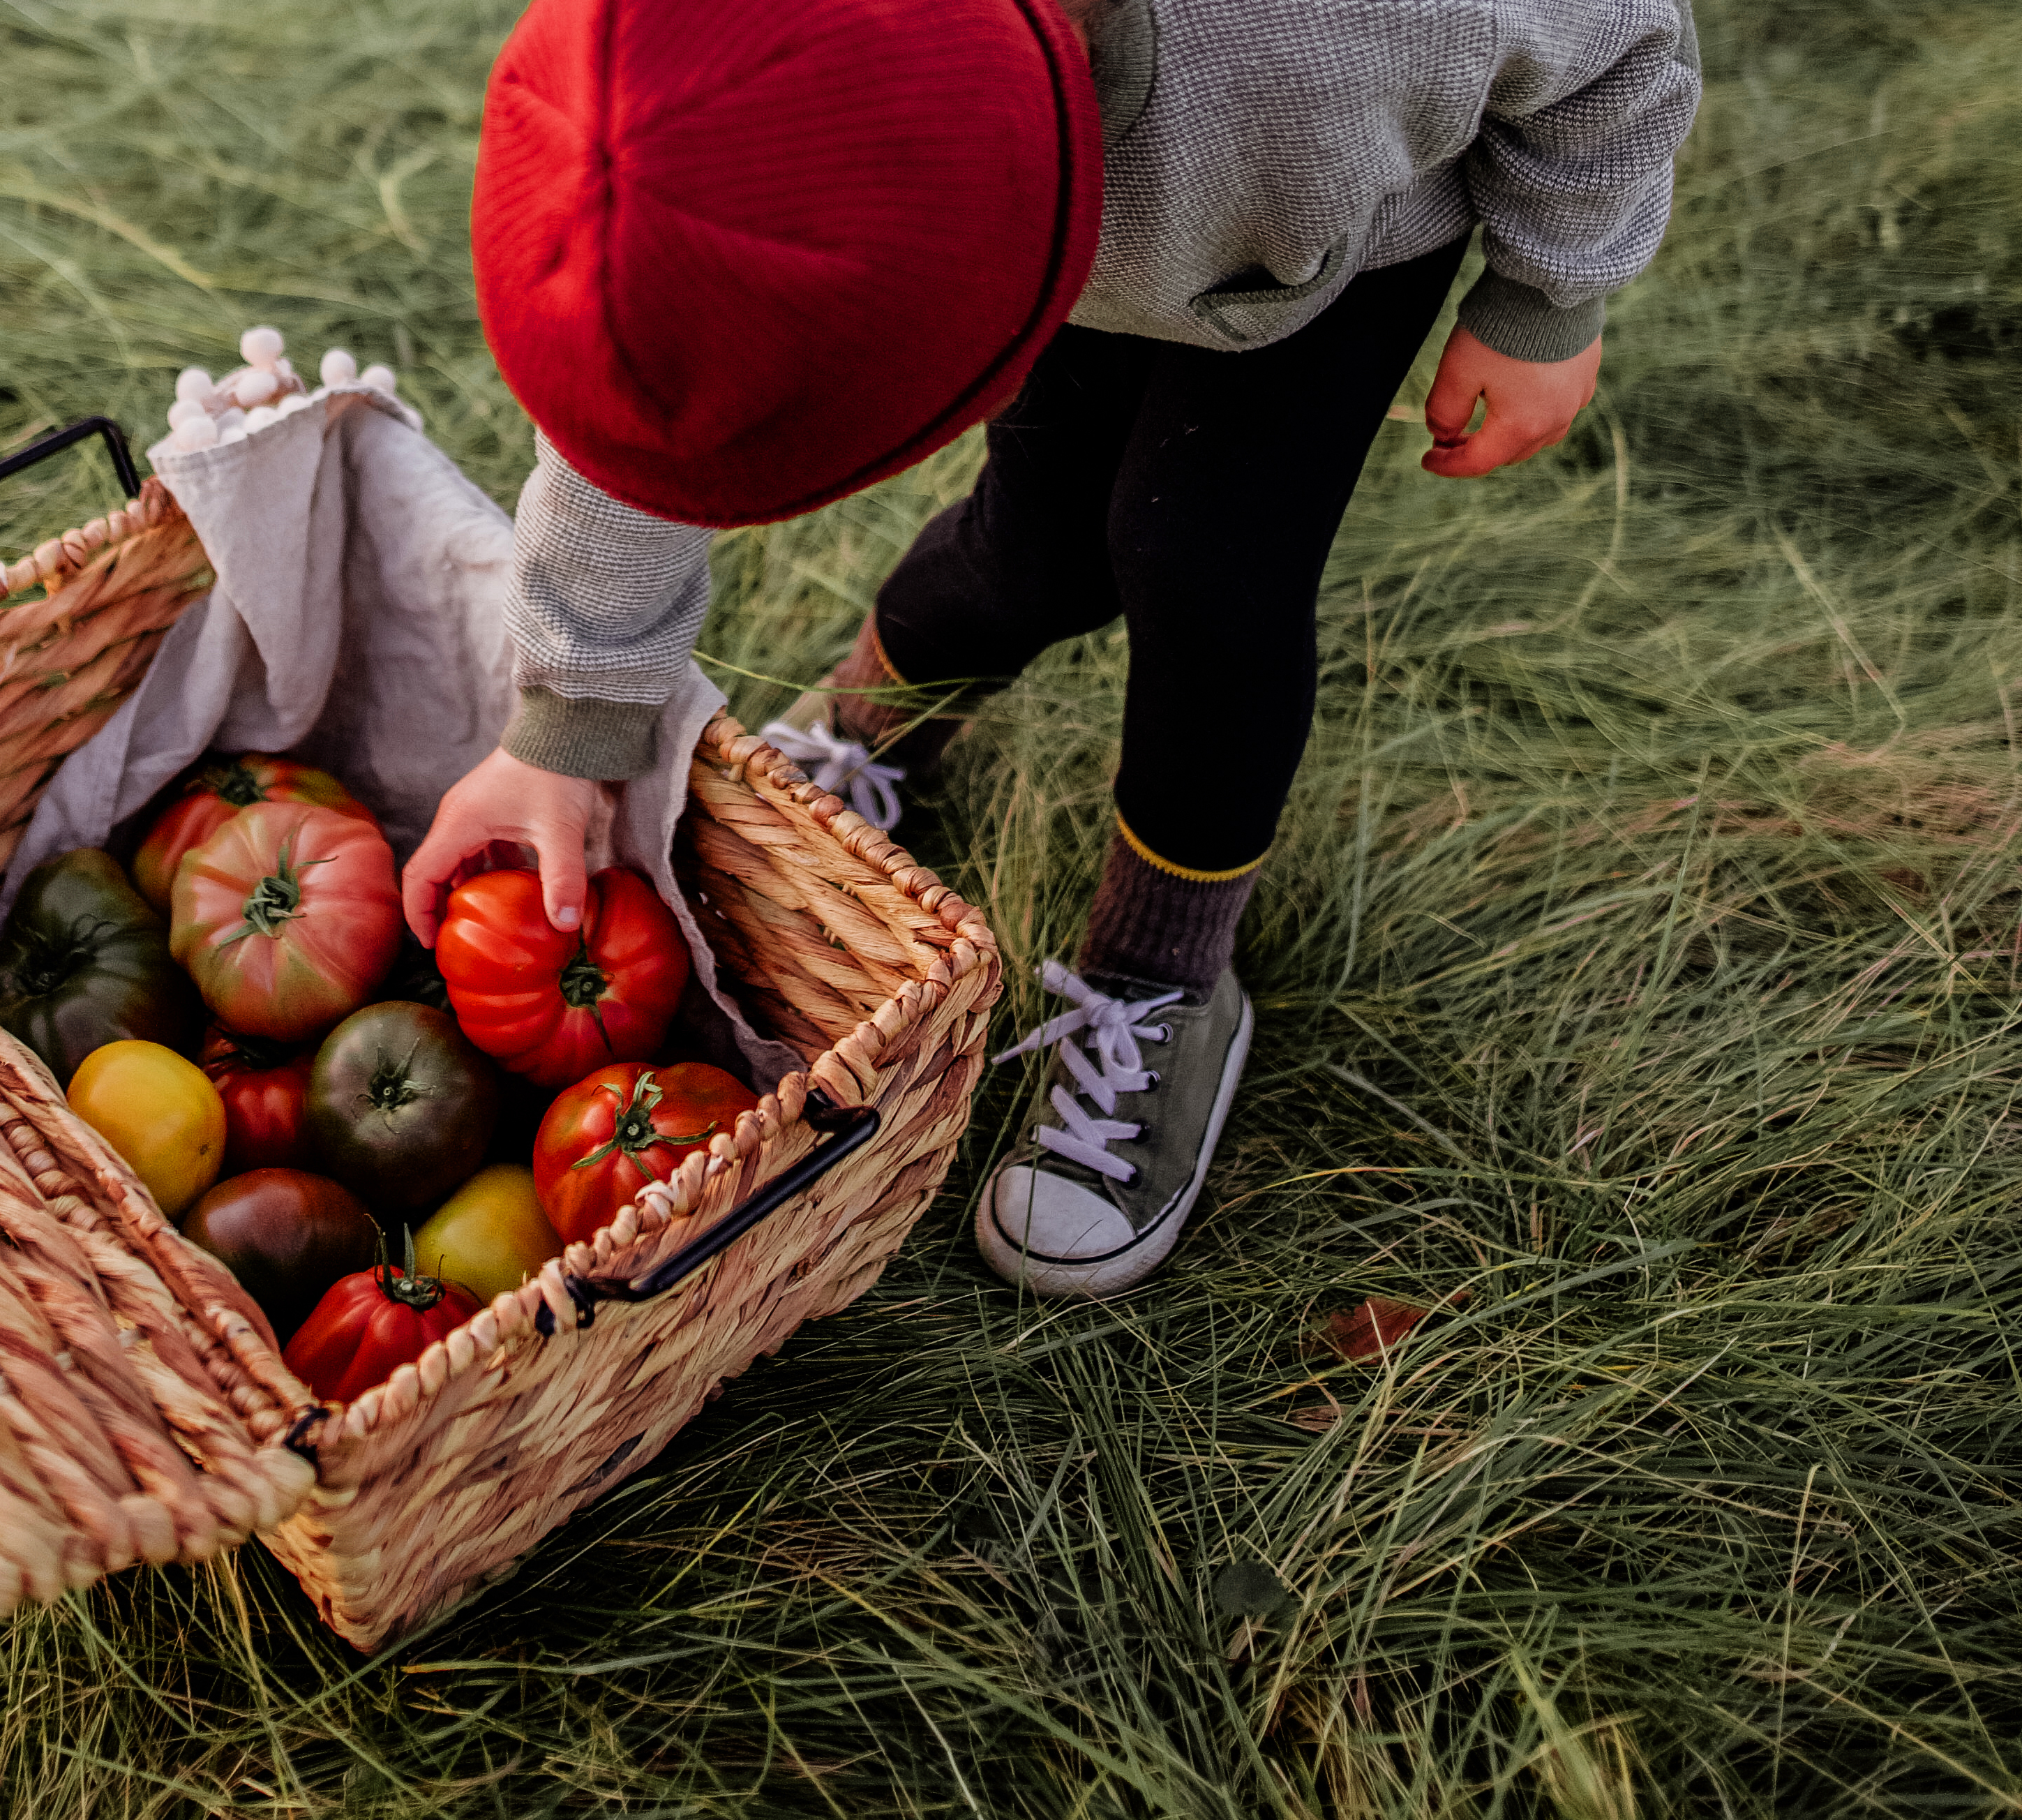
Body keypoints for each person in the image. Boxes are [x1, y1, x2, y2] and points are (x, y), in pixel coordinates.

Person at [402, 0, 1701, 1298]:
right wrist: (569, 721)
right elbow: (664, 362)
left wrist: (1548, 297)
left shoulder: (1373, 26)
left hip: (1320, 256)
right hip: (1063, 241)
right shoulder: (766, 74)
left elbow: (1624, 46)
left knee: (1203, 564)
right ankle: (872, 737)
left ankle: (1166, 969)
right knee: (1037, 536)